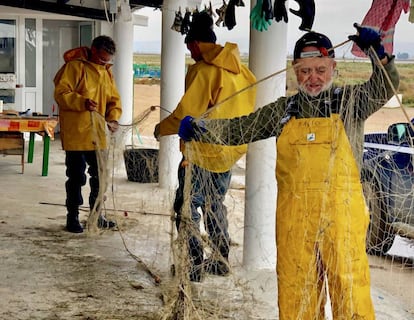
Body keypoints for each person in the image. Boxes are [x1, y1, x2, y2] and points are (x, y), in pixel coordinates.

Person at [179, 25, 399, 319]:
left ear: (333, 67)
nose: (313, 78)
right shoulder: (284, 110)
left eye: (320, 69)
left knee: (349, 288)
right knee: (297, 289)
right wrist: (202, 128)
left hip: (342, 216)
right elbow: (241, 128)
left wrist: (378, 53)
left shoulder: (351, 102)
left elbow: (386, 85)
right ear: (295, 71)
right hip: (295, 217)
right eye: (304, 70)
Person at [154, 11, 256, 282]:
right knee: (215, 204)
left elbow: (186, 114)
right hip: (228, 150)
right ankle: (221, 260)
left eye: (189, 46)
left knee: (187, 205)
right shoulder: (240, 69)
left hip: (201, 152)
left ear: (197, 44)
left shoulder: (203, 71)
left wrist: (161, 128)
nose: (188, 51)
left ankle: (193, 264)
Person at [54, 35, 122, 233]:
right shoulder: (74, 67)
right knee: (76, 177)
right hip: (76, 134)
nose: (104, 63)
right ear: (93, 50)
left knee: (100, 177)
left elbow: (114, 101)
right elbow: (61, 93)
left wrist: (113, 118)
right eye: (101, 59)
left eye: (107, 60)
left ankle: (96, 215)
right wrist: (81, 102)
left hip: (98, 134)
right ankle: (72, 217)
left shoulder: (106, 73)